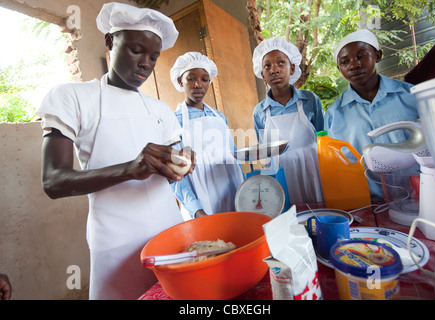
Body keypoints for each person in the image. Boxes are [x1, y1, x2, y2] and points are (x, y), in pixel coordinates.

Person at [36, 2, 194, 300]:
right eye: (136, 50)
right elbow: (53, 182)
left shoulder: (159, 110)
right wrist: (129, 169)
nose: (146, 63)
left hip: (169, 235)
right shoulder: (72, 97)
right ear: (110, 41)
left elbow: (171, 173)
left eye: (154, 56)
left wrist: (181, 163)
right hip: (116, 243)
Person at [325, 29, 419, 199]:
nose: (354, 65)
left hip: (417, 199)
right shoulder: (334, 115)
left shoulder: (411, 97)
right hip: (366, 205)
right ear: (339, 68)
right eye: (345, 62)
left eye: (361, 56)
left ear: (378, 55)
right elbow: (335, 167)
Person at [170, 52, 244, 220]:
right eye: (191, 78)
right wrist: (196, 210)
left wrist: (244, 192)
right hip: (201, 201)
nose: (198, 85)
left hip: (232, 191)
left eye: (204, 79)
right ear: (180, 81)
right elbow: (176, 175)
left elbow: (235, 158)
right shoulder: (175, 120)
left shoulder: (219, 116)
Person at [252, 37, 324, 205]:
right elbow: (265, 152)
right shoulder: (260, 112)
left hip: (313, 173)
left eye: (281, 63)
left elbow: (323, 141)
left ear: (292, 68)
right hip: (281, 176)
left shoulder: (310, 101)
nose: (274, 70)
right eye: (267, 66)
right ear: (262, 74)